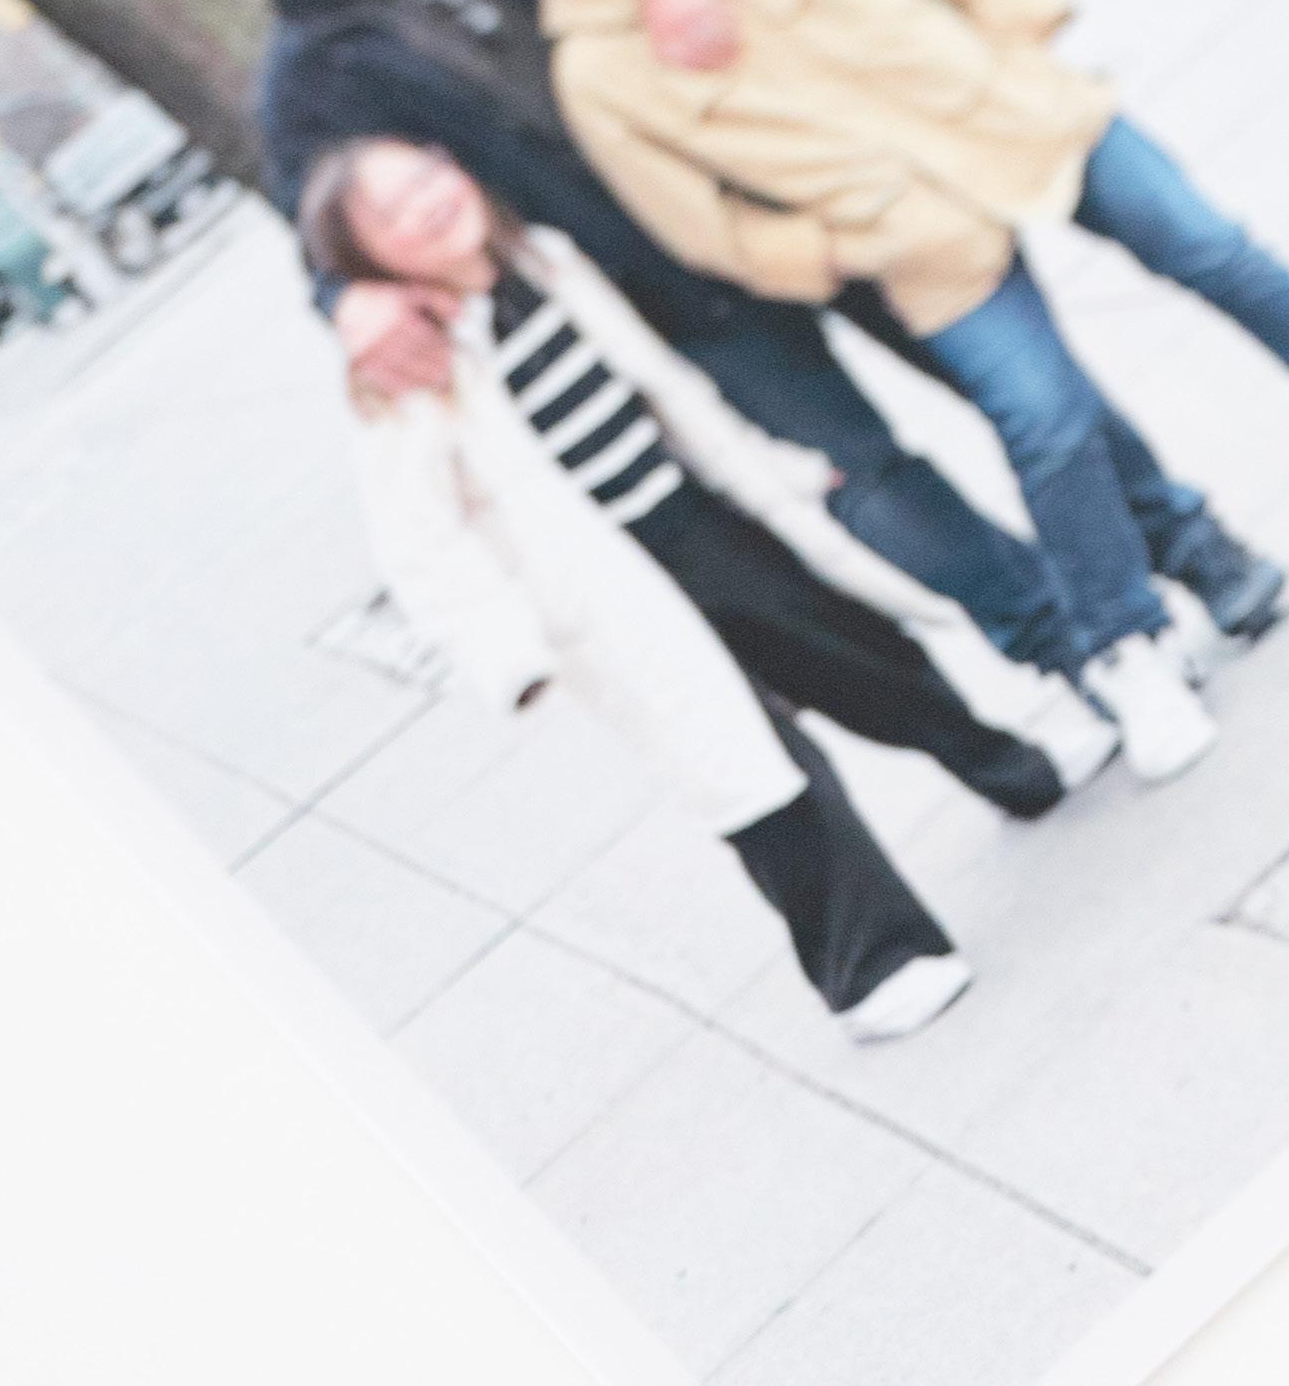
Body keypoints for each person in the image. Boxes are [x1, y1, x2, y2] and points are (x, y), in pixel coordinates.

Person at [191, 0, 1289, 771]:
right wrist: (351, 298)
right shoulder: (313, 65)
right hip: (671, 291)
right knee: (865, 481)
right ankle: (1075, 646)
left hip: (808, 188)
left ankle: (1191, 548)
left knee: (1023, 385)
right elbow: (318, 212)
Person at [435, 0, 1289, 770]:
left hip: (1021, 117)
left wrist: (1028, 47)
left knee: (1212, 250)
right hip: (911, 232)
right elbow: (700, 224)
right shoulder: (597, 67)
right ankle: (1125, 645)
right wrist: (833, 252)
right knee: (1039, 412)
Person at [297, 137, 1064, 1041]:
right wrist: (507, 651)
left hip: (698, 523)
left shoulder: (545, 260)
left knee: (863, 657)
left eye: (426, 176)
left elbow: (661, 384)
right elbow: (417, 541)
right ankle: (872, 965)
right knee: (749, 769)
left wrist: (766, 467)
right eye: (391, 213)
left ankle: (1005, 763)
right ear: (361, 261)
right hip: (606, 591)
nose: (426, 204)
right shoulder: (405, 373)